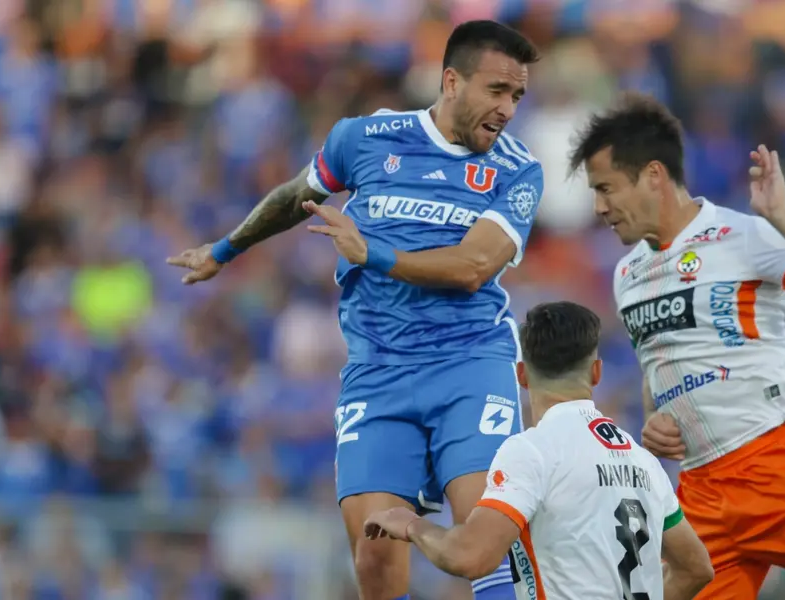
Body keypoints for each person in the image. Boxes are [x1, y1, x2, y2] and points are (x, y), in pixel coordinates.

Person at [166, 20, 544, 600]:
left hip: (469, 365)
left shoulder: (518, 169)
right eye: (497, 90)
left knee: (484, 544)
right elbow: (299, 196)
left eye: (517, 95)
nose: (509, 108)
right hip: (379, 372)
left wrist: (374, 252)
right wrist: (225, 249)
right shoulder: (366, 138)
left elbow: (473, 268)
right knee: (374, 557)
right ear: (451, 81)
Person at [569, 93, 785, 600]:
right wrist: (654, 419)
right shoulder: (626, 274)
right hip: (701, 489)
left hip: (778, 462)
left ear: (653, 175)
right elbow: (655, 365)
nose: (599, 207)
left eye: (606, 189)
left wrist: (783, 215)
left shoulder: (742, 235)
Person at [363, 301, 715, 600]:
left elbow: (470, 556)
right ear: (596, 372)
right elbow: (695, 569)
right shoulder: (644, 462)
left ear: (521, 375)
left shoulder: (533, 451)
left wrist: (410, 525)